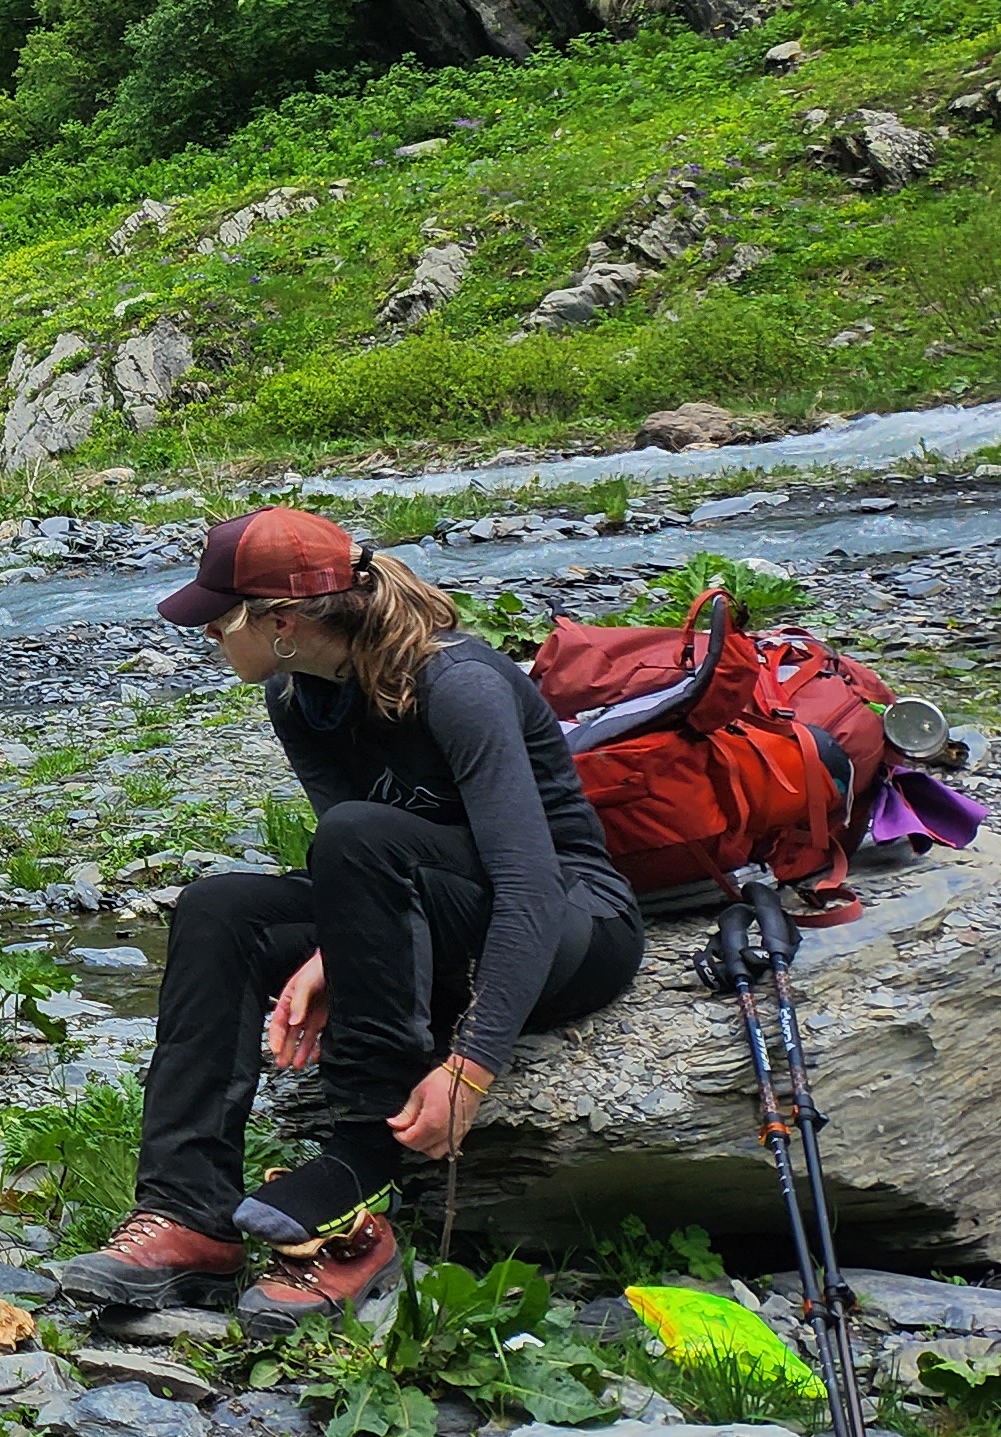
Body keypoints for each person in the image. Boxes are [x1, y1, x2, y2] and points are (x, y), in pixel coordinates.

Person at [52, 504, 646, 1327]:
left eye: (220, 619)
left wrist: (470, 1069)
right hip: (421, 914)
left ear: (283, 622)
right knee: (221, 909)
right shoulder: (299, 697)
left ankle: (359, 1181)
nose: (208, 636)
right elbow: (356, 873)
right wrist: (334, 950)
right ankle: (189, 1214)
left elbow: (529, 886)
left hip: (573, 930)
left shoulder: (459, 686)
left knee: (361, 833)